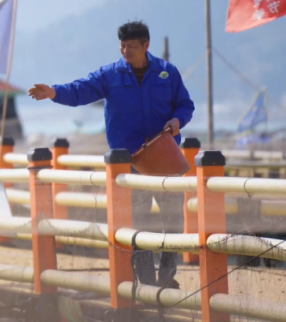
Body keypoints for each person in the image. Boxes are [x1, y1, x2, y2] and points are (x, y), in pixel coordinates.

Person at [28, 20, 195, 288]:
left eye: (131, 46)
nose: (126, 51)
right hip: (130, 164)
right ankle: (146, 282)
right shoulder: (110, 74)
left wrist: (177, 121)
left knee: (174, 218)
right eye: (122, 46)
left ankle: (167, 276)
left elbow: (185, 105)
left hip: (164, 158)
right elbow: (80, 90)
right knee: (137, 222)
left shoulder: (167, 72)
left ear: (146, 45)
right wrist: (54, 92)